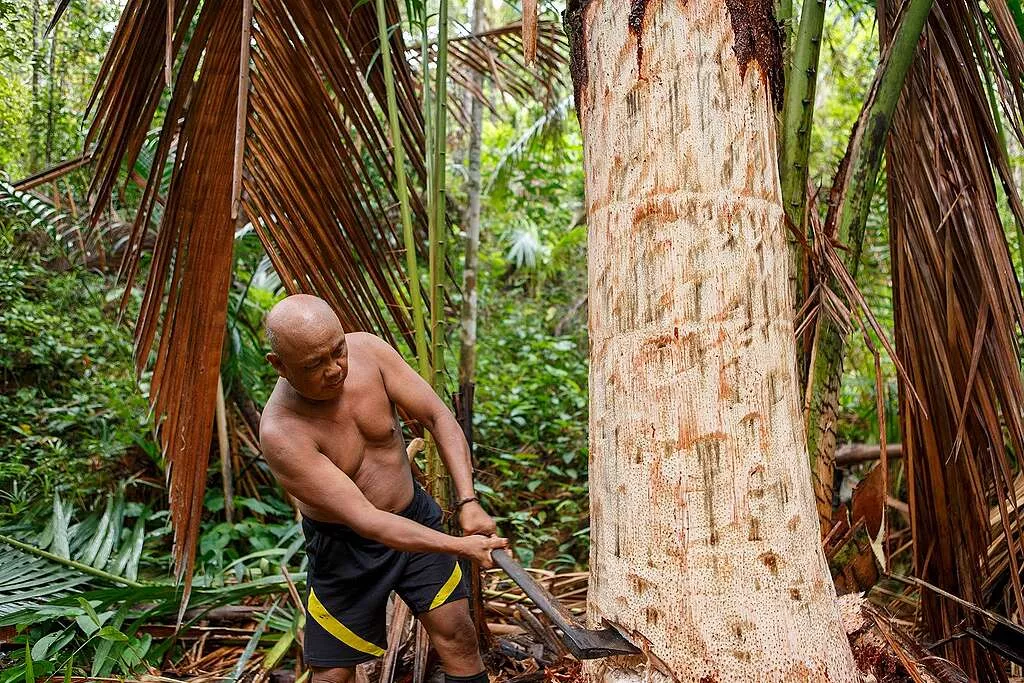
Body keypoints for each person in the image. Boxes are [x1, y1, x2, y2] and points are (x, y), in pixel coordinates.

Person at [259, 294, 508, 683]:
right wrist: (460, 546)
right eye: (313, 365)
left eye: (337, 350)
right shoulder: (281, 432)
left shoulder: (370, 352)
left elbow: (437, 417)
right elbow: (368, 520)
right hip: (346, 550)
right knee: (333, 677)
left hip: (414, 515)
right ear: (279, 365)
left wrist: (468, 501)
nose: (334, 369)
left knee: (458, 637)